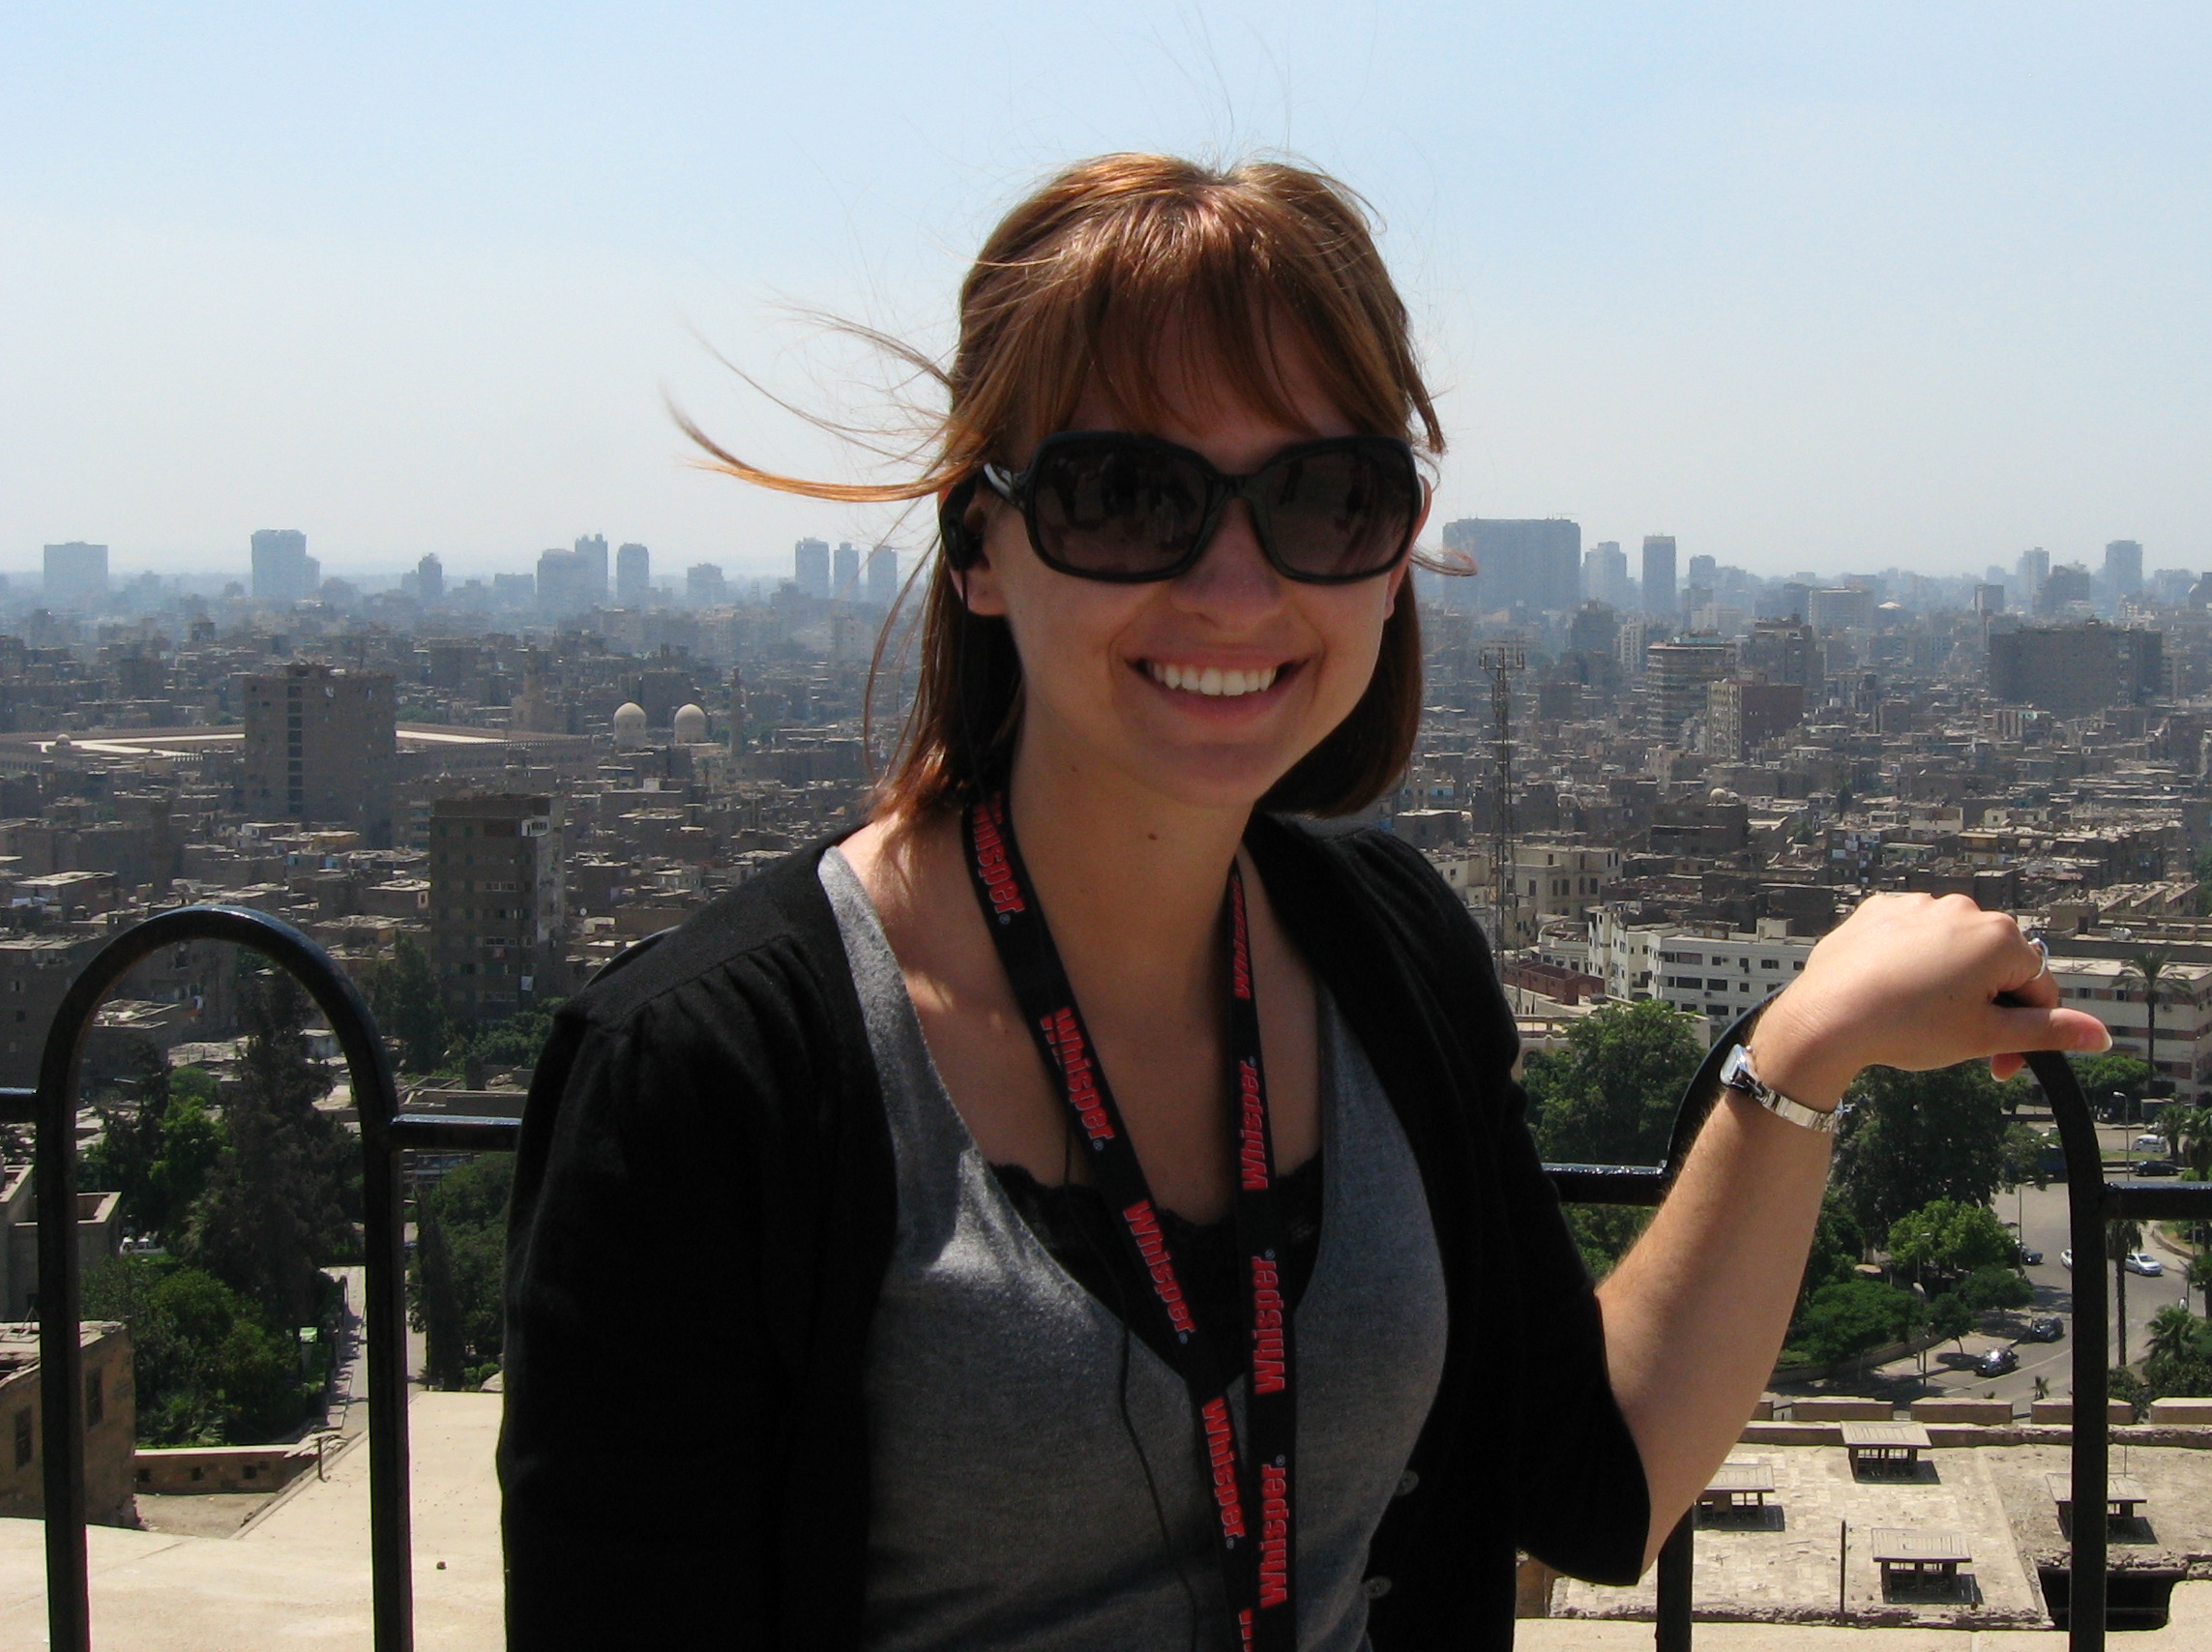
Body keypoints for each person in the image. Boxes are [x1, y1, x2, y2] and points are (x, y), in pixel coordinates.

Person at [499, 153, 2109, 1651]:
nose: (1235, 586)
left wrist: (1802, 1053)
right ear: (980, 545)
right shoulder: (715, 1078)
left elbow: (1591, 1476)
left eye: (1326, 497)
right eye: (1126, 495)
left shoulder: (1383, 955)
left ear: (1393, 553)